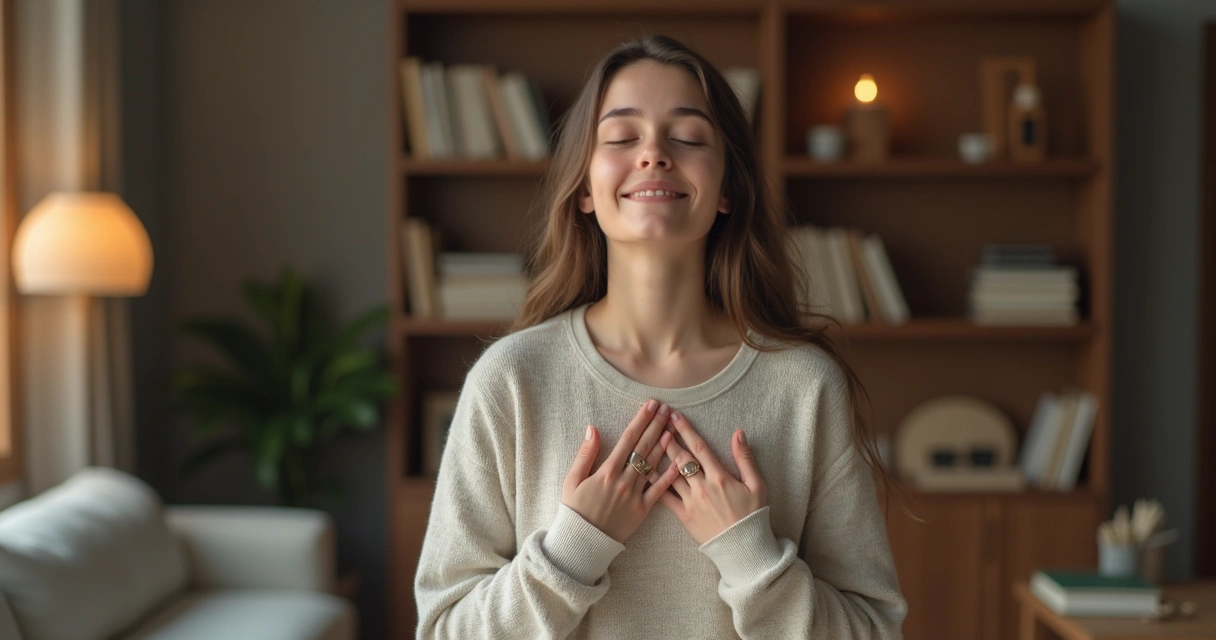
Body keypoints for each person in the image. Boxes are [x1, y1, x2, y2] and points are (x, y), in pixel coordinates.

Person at [413, 35, 907, 639]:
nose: (654, 154)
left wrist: (752, 557)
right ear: (585, 190)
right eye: (622, 138)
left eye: (689, 137)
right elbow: (442, 631)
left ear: (728, 188)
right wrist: (572, 551)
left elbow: (873, 631)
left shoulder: (805, 386)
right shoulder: (511, 380)